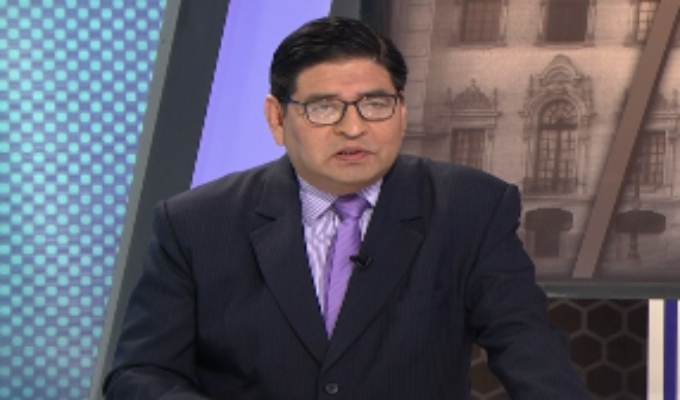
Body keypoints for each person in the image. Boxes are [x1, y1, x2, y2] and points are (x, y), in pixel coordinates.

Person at [104, 16, 590, 399]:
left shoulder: (471, 207)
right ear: (277, 118)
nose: (353, 128)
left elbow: (528, 346)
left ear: (402, 110)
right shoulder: (195, 223)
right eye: (324, 107)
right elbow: (141, 373)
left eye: (375, 104)